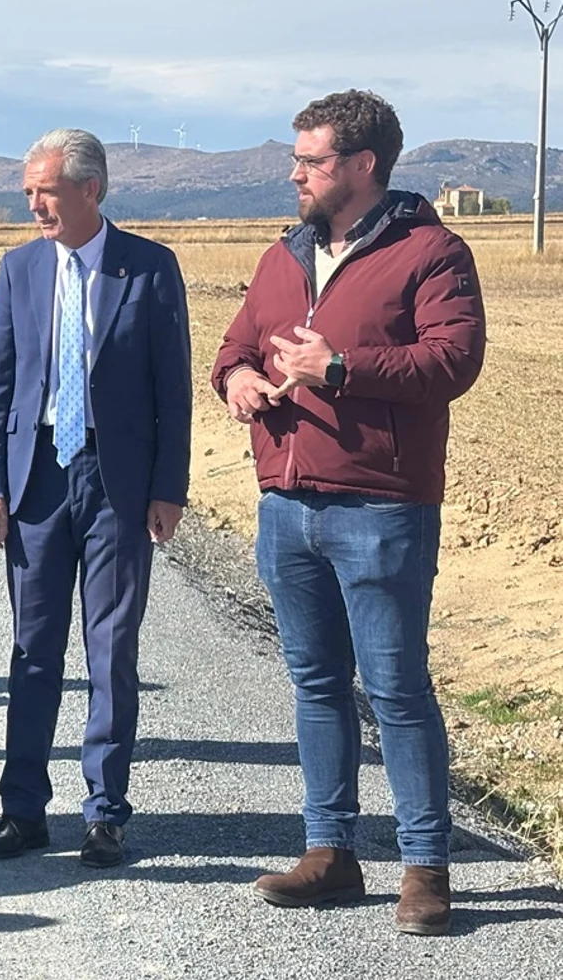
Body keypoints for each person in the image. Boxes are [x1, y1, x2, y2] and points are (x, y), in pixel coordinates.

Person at [214, 90, 485, 937]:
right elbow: (232, 347)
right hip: (286, 505)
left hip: (381, 505)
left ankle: (425, 866)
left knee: (398, 688)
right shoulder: (280, 256)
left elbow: (452, 361)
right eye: (296, 159)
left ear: (363, 165)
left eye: (311, 160)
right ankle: (329, 850)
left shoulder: (431, 253)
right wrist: (237, 381)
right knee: (317, 683)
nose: (294, 173)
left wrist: (339, 369)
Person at [0, 129, 192, 869]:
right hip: (37, 479)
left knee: (111, 648)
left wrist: (169, 488)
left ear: (91, 190)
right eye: (29, 191)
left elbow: (174, 391)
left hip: (117, 482)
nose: (34, 204)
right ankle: (22, 809)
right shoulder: (19, 269)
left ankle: (105, 811)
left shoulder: (151, 269)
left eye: (46, 190)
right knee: (33, 650)